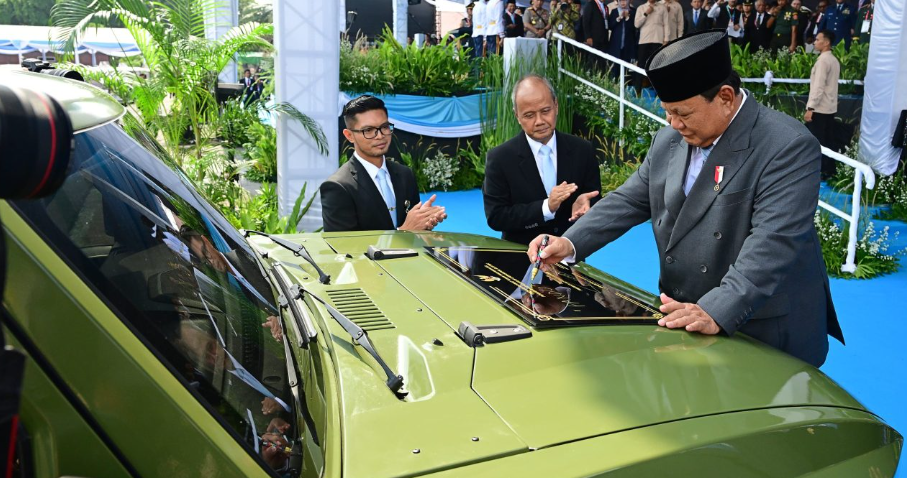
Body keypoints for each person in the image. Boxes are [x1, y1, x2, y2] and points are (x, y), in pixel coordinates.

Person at [529, 30, 842, 367]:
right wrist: (569, 243)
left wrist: (717, 308)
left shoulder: (787, 145)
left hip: (759, 325)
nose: (674, 124)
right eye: (668, 112)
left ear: (725, 97)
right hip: (687, 315)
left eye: (684, 113)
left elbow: (773, 241)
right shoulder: (669, 139)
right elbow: (630, 200)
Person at [483, 75, 601, 245]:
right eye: (529, 115)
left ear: (556, 106)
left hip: (570, 252)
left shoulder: (583, 150)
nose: (539, 121)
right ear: (517, 116)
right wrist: (546, 207)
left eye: (545, 111)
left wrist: (587, 205)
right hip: (521, 255)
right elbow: (496, 217)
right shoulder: (500, 158)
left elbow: (595, 196)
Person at [321, 96, 447, 232]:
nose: (380, 136)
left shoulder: (405, 174)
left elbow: (414, 230)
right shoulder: (338, 186)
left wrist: (423, 221)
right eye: (368, 130)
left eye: (384, 127)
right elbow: (341, 243)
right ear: (349, 135)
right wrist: (404, 231)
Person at [805, 30, 840, 180]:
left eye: (818, 39)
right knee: (828, 140)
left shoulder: (823, 61)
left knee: (818, 142)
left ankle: (820, 171)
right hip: (829, 108)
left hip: (819, 108)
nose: (815, 42)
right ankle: (829, 170)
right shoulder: (833, 59)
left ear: (826, 43)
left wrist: (810, 108)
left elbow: (818, 87)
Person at [607, 0, 637, 81]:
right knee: (614, 69)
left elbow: (635, 28)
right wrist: (618, 18)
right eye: (621, 0)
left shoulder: (633, 11)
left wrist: (627, 18)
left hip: (628, 46)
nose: (623, 2)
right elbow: (610, 26)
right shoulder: (614, 11)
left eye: (625, 0)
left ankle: (626, 87)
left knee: (627, 70)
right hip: (615, 46)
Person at [582, 0, 610, 72]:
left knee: (602, 61)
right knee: (592, 60)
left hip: (603, 39)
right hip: (593, 38)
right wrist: (588, 37)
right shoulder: (591, 4)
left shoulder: (605, 7)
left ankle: (600, 76)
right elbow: (585, 21)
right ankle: (589, 75)